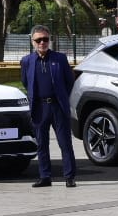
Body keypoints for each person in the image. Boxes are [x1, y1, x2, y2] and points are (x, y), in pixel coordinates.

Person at [19, 25, 78, 189]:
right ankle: (45, 176)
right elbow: (25, 82)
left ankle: (69, 177)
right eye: (38, 40)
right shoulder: (27, 61)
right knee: (42, 144)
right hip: (39, 107)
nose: (42, 43)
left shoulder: (60, 59)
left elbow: (69, 81)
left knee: (65, 143)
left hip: (58, 106)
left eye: (45, 39)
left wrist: (62, 98)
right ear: (33, 42)